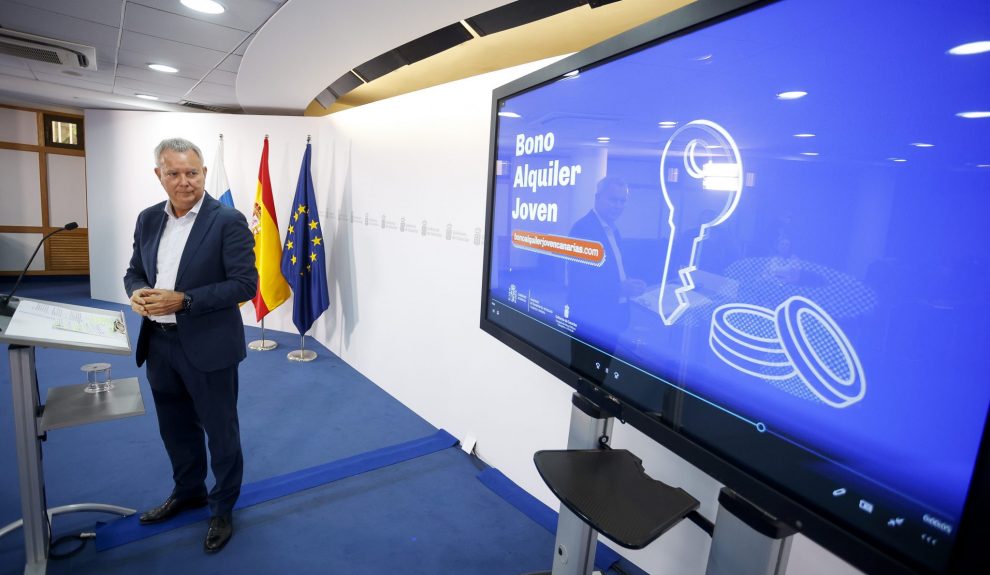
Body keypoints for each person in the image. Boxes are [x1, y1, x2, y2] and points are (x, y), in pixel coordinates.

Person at [124, 137, 257, 553]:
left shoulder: (227, 219)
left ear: (202, 172)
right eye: (174, 173)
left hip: (209, 345)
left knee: (220, 431)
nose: (185, 182)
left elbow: (245, 284)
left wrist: (184, 300)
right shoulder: (148, 219)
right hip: (159, 344)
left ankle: (222, 506)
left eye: (192, 173)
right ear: (159, 175)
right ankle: (189, 491)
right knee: (175, 428)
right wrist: (138, 291)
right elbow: (133, 271)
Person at [567, 176, 646, 353]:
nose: (617, 206)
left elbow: (610, 269)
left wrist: (629, 283)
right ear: (597, 198)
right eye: (613, 199)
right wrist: (619, 289)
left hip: (610, 317)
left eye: (622, 201)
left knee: (601, 373)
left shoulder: (612, 229)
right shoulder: (583, 229)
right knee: (586, 371)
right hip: (591, 320)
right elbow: (581, 281)